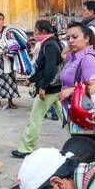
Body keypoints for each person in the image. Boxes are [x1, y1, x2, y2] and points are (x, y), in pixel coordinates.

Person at [11, 19, 65, 158]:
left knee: (35, 118)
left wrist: (43, 87)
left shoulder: (50, 45)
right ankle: (78, 140)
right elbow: (43, 67)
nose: (34, 33)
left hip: (50, 89)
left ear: (42, 32)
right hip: (55, 88)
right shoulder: (49, 42)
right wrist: (31, 79)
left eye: (35, 30)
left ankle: (26, 148)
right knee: (64, 117)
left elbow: (50, 69)